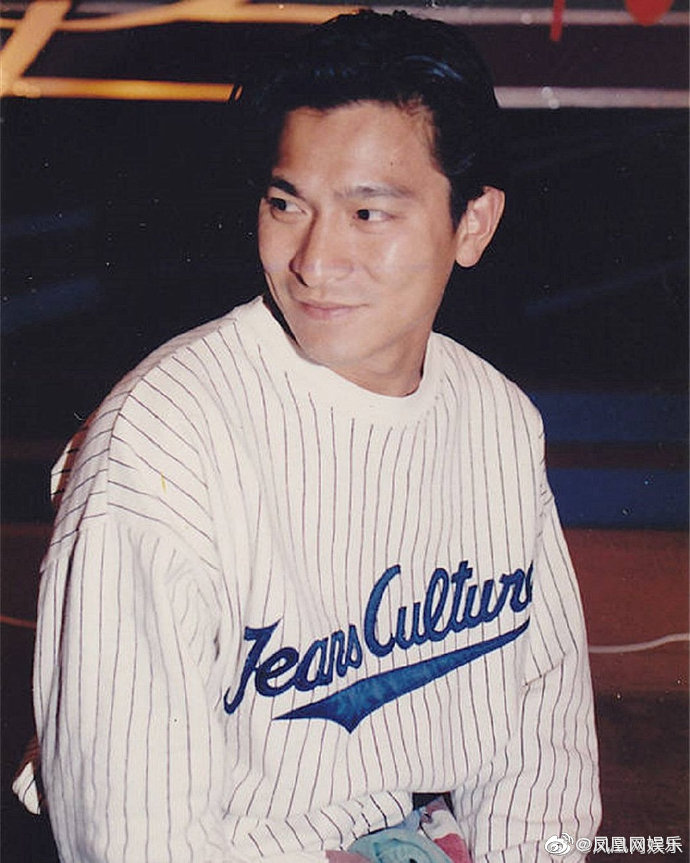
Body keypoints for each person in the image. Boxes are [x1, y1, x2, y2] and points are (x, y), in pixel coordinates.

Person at [31, 10, 601, 862]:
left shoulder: (497, 417)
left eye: (368, 212)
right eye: (286, 204)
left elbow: (541, 746)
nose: (314, 260)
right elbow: (132, 831)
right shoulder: (162, 438)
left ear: (473, 224)